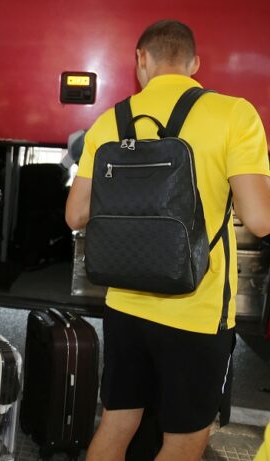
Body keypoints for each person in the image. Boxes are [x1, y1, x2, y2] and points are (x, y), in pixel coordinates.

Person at [65, 19, 270, 461]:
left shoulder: (110, 121)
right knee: (184, 440)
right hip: (197, 310)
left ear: (141, 59)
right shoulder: (234, 114)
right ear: (194, 63)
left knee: (118, 422)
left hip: (124, 303)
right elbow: (260, 219)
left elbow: (75, 215)